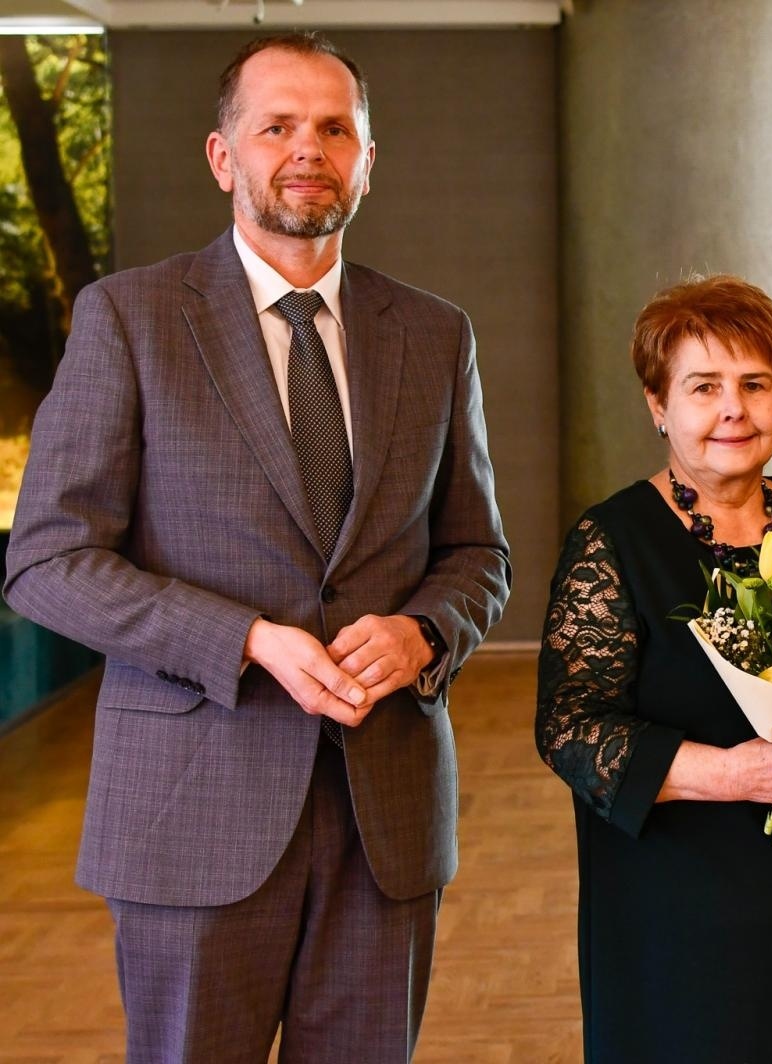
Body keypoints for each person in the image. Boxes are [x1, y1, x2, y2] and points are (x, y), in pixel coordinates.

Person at [3, 33, 510, 1064]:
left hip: (387, 819)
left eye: (335, 128)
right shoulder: (129, 318)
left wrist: (424, 633)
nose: (307, 148)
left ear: (370, 159)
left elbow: (477, 553)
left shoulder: (435, 332)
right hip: (193, 811)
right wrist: (244, 638)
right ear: (222, 156)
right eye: (276, 125)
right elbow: (47, 558)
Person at [536, 274, 772, 1063]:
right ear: (658, 406)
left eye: (756, 384)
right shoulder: (612, 540)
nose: (734, 409)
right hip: (676, 909)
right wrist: (738, 774)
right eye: (704, 387)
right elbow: (569, 730)